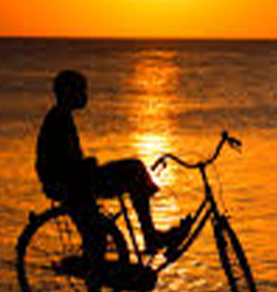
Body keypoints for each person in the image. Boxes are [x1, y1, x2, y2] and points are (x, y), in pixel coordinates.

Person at [36, 70, 190, 255]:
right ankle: (150, 236)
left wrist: (85, 164)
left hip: (75, 180)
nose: (85, 95)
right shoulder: (58, 120)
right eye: (81, 91)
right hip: (73, 184)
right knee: (135, 170)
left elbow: (65, 161)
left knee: (134, 168)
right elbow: (62, 164)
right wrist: (86, 165)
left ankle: (150, 236)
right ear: (69, 93)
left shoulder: (60, 117)